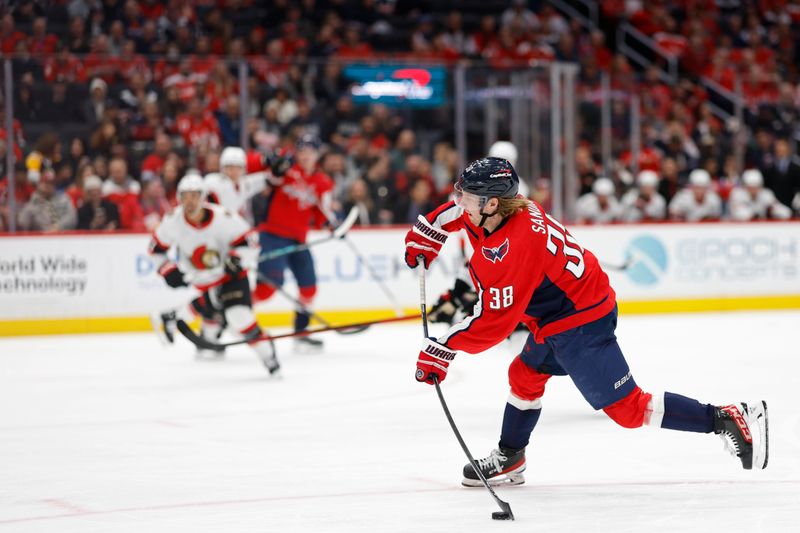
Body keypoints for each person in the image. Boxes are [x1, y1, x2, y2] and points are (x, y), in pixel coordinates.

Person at [403, 157, 769, 488]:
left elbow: (496, 322)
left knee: (629, 410)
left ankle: (725, 417)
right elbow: (455, 215)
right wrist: (429, 232)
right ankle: (511, 456)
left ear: (493, 203)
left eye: (468, 196)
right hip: (562, 314)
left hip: (580, 322)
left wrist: (444, 347)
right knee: (524, 374)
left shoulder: (516, 244)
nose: (460, 201)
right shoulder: (502, 210)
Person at [148, 174, 279, 375]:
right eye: (185, 196)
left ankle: (268, 356)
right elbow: (155, 250)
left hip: (231, 277)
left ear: (204, 197)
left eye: (195, 196)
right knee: (220, 315)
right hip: (203, 280)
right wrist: (168, 270)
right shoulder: (173, 221)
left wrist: (237, 259)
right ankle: (179, 318)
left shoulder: (223, 217)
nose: (190, 201)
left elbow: (250, 242)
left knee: (239, 318)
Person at [252, 133, 334, 351]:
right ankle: (231, 314)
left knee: (309, 288)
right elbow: (266, 179)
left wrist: (331, 224)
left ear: (318, 154)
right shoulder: (286, 169)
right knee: (266, 290)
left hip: (298, 240)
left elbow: (321, 212)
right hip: (272, 236)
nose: (306, 155)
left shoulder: (322, 182)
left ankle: (300, 333)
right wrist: (272, 166)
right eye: (302, 150)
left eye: (311, 151)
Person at [204, 146, 289, 225]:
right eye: (229, 167)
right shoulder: (214, 181)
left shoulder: (244, 183)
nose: (234, 171)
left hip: (238, 229)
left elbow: (270, 179)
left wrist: (277, 170)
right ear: (222, 168)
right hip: (218, 228)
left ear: (243, 169)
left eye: (238, 167)